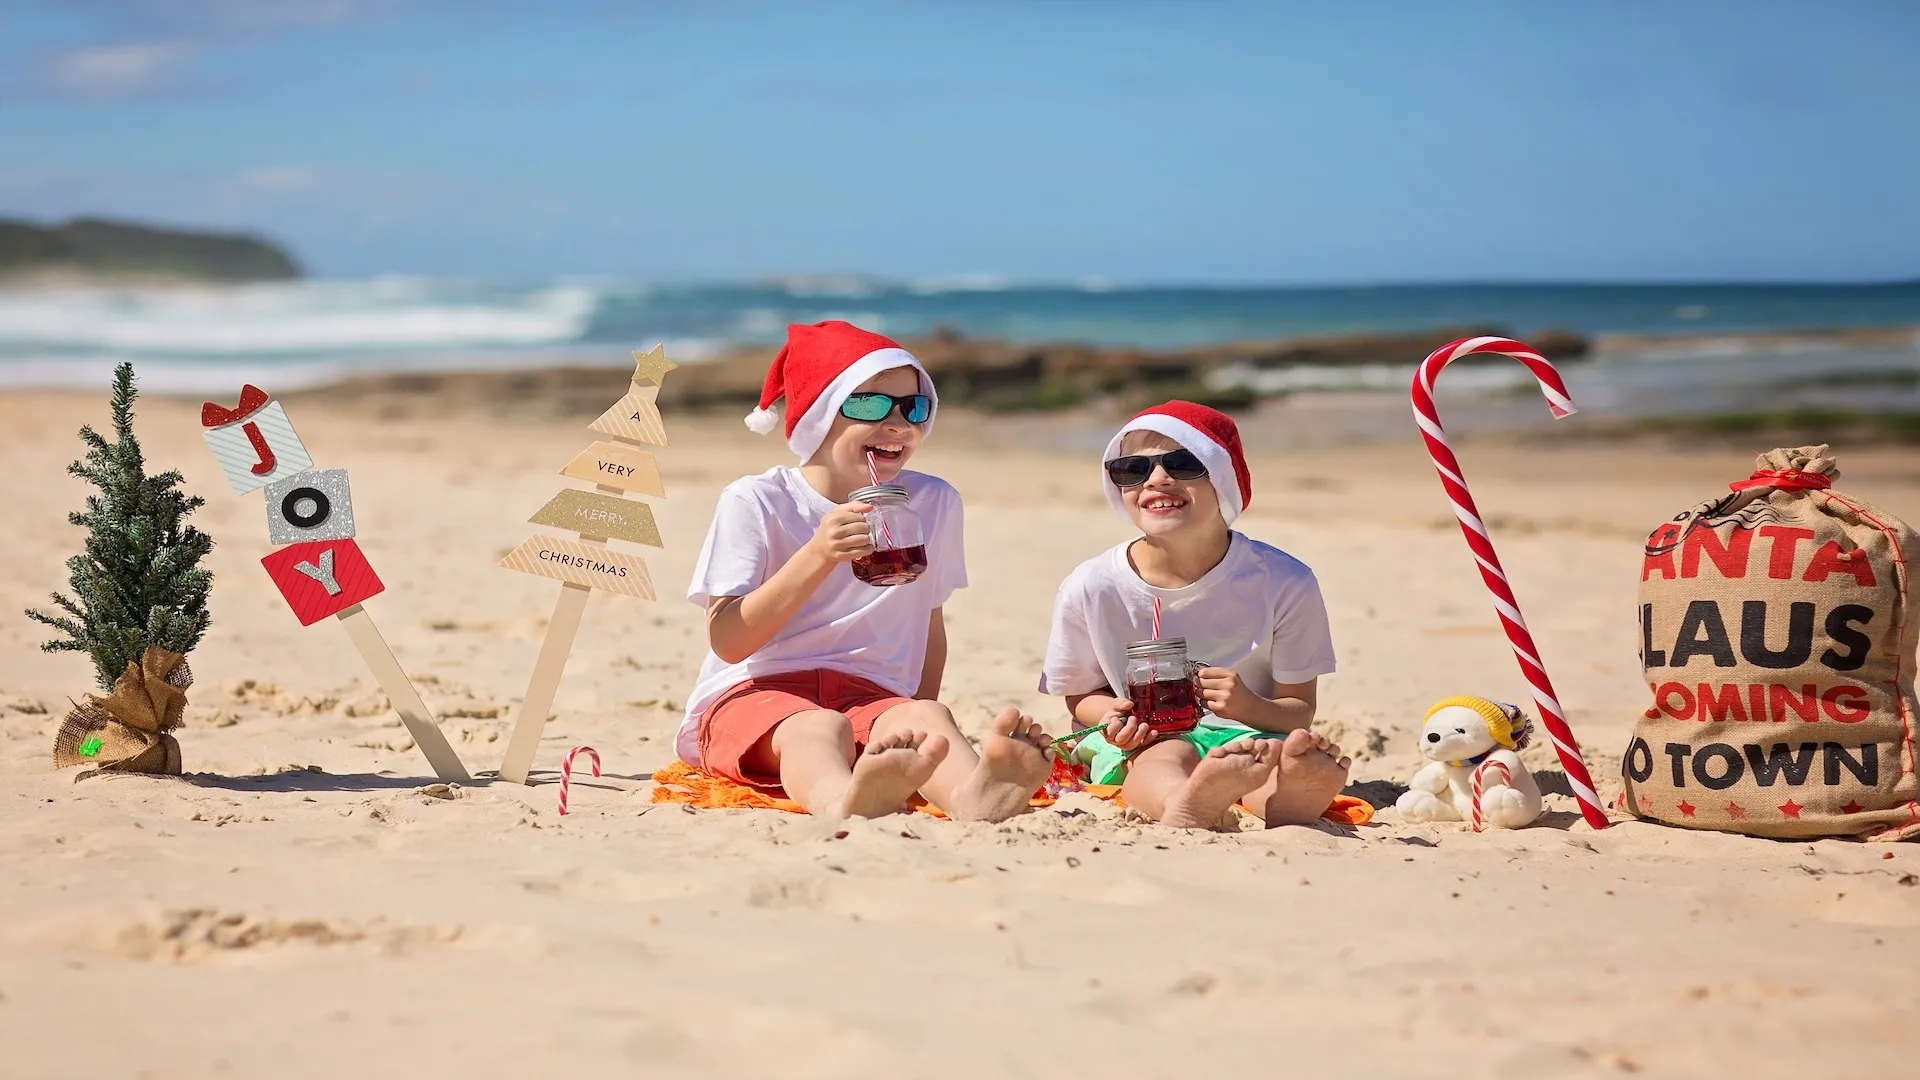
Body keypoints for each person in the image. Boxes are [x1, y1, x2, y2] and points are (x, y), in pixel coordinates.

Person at [678, 320, 1054, 821]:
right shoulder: (758, 500)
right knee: (815, 729)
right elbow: (728, 640)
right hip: (756, 694)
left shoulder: (934, 502)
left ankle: (974, 795)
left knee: (927, 717)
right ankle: (841, 798)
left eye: (915, 407)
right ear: (818, 412)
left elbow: (928, 625)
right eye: (870, 404)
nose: (899, 423)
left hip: (869, 696)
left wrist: (911, 722)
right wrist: (818, 554)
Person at [1039, 401, 1350, 829]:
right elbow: (1079, 696)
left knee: (1270, 757)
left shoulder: (1284, 580)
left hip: (1251, 732)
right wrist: (1113, 715)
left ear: (1224, 479)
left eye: (1183, 463)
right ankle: (1181, 803)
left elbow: (1298, 710)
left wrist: (1248, 705)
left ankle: (1287, 799)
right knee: (1164, 757)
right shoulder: (1092, 586)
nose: (1157, 479)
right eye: (1132, 469)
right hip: (1147, 739)